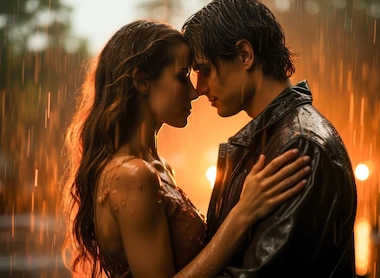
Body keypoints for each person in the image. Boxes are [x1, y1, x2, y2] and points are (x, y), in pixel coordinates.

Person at [62, 19, 312, 278]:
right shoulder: (132, 175)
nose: (195, 92)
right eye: (182, 76)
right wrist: (243, 213)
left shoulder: (158, 167)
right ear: (142, 81)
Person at [181, 0, 357, 277]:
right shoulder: (276, 139)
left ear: (244, 55)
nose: (200, 88)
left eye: (205, 69)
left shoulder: (300, 146)